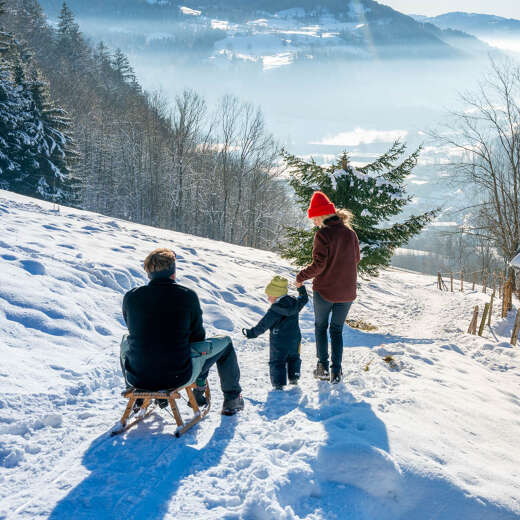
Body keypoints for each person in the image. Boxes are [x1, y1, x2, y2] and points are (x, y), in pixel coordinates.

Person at [120, 248, 244, 415]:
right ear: (173, 271)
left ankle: (137, 395)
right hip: (178, 375)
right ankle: (232, 399)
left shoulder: (131, 297)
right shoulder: (187, 296)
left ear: (148, 272)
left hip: (138, 376)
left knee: (126, 340)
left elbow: (134, 331)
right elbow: (198, 337)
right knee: (226, 343)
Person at [295, 191, 360, 384]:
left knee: (321, 327)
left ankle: (322, 367)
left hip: (325, 291)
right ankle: (337, 372)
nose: (313, 222)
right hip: (347, 293)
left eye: (314, 218)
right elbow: (356, 259)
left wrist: (300, 277)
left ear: (321, 215)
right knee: (337, 330)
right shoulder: (350, 233)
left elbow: (319, 265)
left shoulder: (323, 235)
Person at [242, 276, 308, 390]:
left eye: (269, 296)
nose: (268, 298)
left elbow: (263, 324)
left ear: (276, 295)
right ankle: (294, 378)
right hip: (295, 338)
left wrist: (251, 333)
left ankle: (278, 384)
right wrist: (301, 288)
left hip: (279, 340)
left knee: (277, 361)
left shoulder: (275, 309)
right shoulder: (294, 303)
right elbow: (304, 299)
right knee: (294, 357)